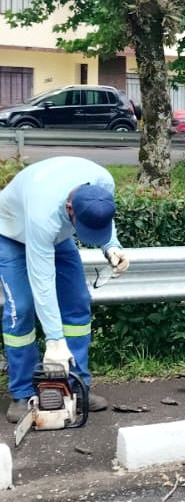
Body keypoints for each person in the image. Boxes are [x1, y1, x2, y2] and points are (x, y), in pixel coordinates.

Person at [0, 156, 130, 423]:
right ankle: (22, 393)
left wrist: (111, 245)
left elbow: (103, 216)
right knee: (21, 308)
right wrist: (55, 341)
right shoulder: (42, 212)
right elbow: (42, 282)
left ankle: (75, 387)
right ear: (70, 208)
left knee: (78, 302)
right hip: (11, 234)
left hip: (57, 235)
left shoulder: (103, 181)